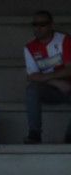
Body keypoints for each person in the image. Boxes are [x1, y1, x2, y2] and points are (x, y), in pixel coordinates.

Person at [24, 10, 71, 144]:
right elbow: (32, 76)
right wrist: (56, 82)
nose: (38, 28)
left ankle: (69, 139)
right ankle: (34, 134)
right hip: (53, 89)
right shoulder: (30, 47)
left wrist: (45, 77)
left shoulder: (65, 40)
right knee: (32, 89)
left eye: (42, 24)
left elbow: (70, 69)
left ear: (51, 25)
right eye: (35, 24)